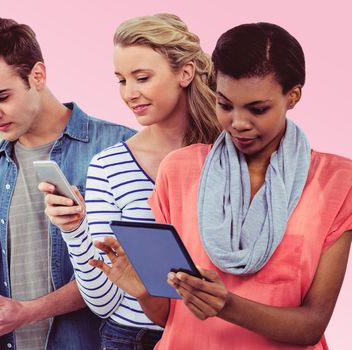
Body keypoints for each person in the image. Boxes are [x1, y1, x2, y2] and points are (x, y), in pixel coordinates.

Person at [92, 22, 352, 349]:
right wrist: (144, 291)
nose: (238, 123)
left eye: (258, 109)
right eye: (225, 105)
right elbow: (172, 318)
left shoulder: (336, 181)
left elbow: (311, 326)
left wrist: (228, 305)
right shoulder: (180, 169)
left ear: (293, 96)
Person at [0, 17, 136, 350]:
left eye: (1, 97)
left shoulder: (119, 149)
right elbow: (6, 272)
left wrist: (29, 312)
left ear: (37, 75)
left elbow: (128, 273)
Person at [40, 14, 220, 350]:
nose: (130, 93)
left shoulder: (229, 154)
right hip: (133, 338)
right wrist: (75, 230)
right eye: (122, 80)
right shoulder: (109, 165)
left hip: (218, 332)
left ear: (185, 72)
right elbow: (103, 302)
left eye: (142, 77)